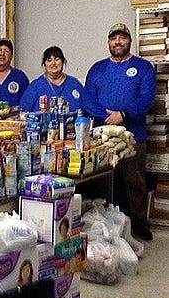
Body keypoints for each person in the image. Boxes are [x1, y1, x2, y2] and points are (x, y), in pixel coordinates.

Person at [84, 23, 156, 241]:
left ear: (129, 41)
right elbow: (88, 99)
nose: (118, 42)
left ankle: (139, 225)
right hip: (103, 139)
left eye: (122, 38)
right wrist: (108, 117)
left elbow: (147, 98)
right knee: (104, 184)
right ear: (109, 42)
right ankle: (108, 228)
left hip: (133, 138)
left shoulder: (143, 68)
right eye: (114, 38)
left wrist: (124, 114)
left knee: (135, 183)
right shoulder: (97, 69)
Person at [20, 46, 84, 113]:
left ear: (63, 62)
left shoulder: (74, 84)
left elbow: (86, 109)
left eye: (57, 59)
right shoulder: (35, 87)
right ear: (44, 64)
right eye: (49, 60)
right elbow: (23, 112)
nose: (53, 63)